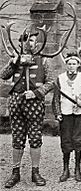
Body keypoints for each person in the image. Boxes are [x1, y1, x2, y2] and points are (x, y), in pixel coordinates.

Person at [1, 31, 54, 188]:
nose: (29, 43)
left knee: (35, 138)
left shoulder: (43, 60)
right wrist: (13, 62)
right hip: (16, 102)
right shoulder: (15, 58)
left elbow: (51, 82)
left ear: (36, 43)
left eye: (32, 40)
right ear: (21, 43)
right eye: (26, 41)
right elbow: (3, 75)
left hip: (34, 104)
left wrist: (36, 93)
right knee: (17, 138)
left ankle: (35, 172)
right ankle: (15, 172)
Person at [52, 51, 81, 182]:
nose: (71, 66)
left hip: (79, 114)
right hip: (65, 114)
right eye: (69, 64)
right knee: (66, 141)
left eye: (74, 64)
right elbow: (56, 98)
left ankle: (77, 168)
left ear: (78, 65)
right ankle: (66, 169)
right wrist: (58, 113)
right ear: (66, 65)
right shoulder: (60, 78)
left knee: (78, 141)